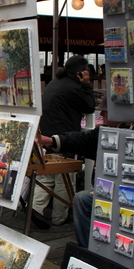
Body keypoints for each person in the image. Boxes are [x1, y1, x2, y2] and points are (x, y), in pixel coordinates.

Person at [33, 55, 96, 227]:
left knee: (48, 174)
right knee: (65, 177)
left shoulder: (55, 83)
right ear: (80, 72)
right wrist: (86, 84)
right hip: (62, 136)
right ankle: (59, 218)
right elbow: (90, 106)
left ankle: (35, 209)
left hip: (47, 133)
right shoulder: (73, 88)